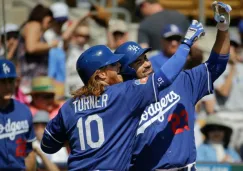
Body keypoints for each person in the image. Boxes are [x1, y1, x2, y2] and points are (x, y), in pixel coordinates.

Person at [40, 20, 204, 170]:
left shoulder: (69, 106)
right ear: (100, 75)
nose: (118, 66)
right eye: (112, 64)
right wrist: (186, 44)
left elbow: (48, 146)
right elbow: (165, 76)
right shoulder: (122, 94)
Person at [114, 1, 232, 170]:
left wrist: (223, 29)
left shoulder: (182, 80)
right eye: (137, 63)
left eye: (145, 58)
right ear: (125, 70)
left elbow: (217, 64)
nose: (146, 64)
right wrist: (185, 44)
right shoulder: (120, 97)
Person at [0, 59, 36, 171]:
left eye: (10, 81)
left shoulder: (24, 111)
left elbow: (29, 153)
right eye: (2, 81)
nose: (7, 86)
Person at [17, 4, 58, 94]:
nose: (49, 25)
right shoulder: (34, 25)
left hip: (35, 79)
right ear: (44, 16)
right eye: (49, 20)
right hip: (28, 79)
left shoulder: (34, 26)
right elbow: (31, 47)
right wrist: (51, 45)